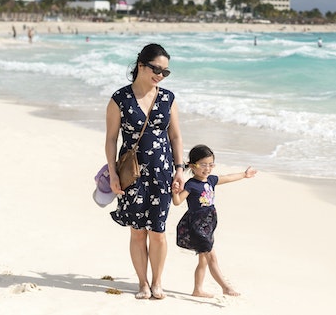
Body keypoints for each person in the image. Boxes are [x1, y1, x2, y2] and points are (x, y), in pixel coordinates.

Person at [105, 43, 185, 300]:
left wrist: (180, 169)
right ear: (141, 65)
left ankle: (157, 282)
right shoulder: (120, 99)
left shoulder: (167, 98)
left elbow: (175, 136)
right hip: (133, 174)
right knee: (138, 231)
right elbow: (110, 139)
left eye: (165, 72)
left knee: (158, 232)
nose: (160, 75)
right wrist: (113, 174)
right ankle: (142, 283)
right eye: (156, 69)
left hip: (162, 173)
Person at [171, 144, 257, 298]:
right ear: (192, 166)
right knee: (211, 256)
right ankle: (225, 287)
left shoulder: (210, 180)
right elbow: (177, 202)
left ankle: (198, 289)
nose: (207, 168)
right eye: (203, 165)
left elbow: (228, 177)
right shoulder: (191, 184)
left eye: (211, 164)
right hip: (197, 225)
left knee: (203, 260)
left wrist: (244, 175)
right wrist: (175, 192)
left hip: (209, 223)